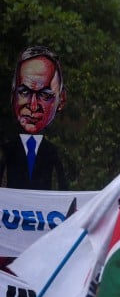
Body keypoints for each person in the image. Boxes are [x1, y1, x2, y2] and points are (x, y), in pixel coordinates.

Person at [1, 45, 69, 189]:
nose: (32, 106)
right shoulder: (4, 152)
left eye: (45, 95)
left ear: (61, 100)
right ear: (13, 95)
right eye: (24, 92)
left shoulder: (58, 155)